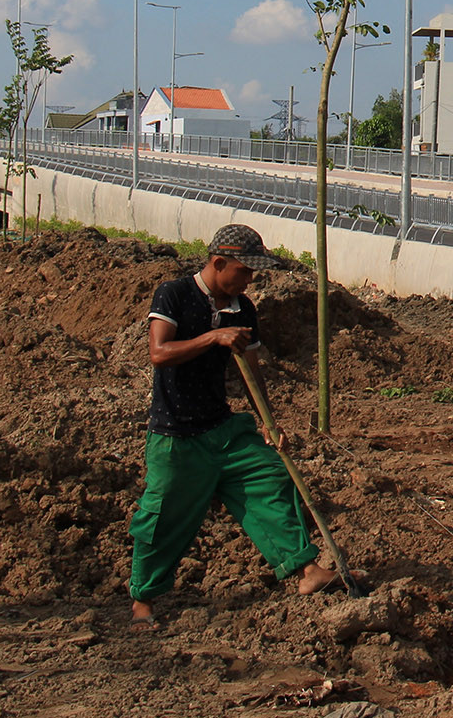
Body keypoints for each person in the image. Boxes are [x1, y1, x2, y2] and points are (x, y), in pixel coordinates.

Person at [128, 223, 337, 630]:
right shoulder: (174, 295)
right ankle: (144, 601)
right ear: (218, 262)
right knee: (164, 516)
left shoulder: (244, 308)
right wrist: (213, 337)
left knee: (271, 479)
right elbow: (159, 353)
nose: (250, 279)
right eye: (244, 271)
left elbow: (251, 372)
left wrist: (269, 423)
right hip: (176, 436)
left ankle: (305, 570)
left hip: (224, 429)